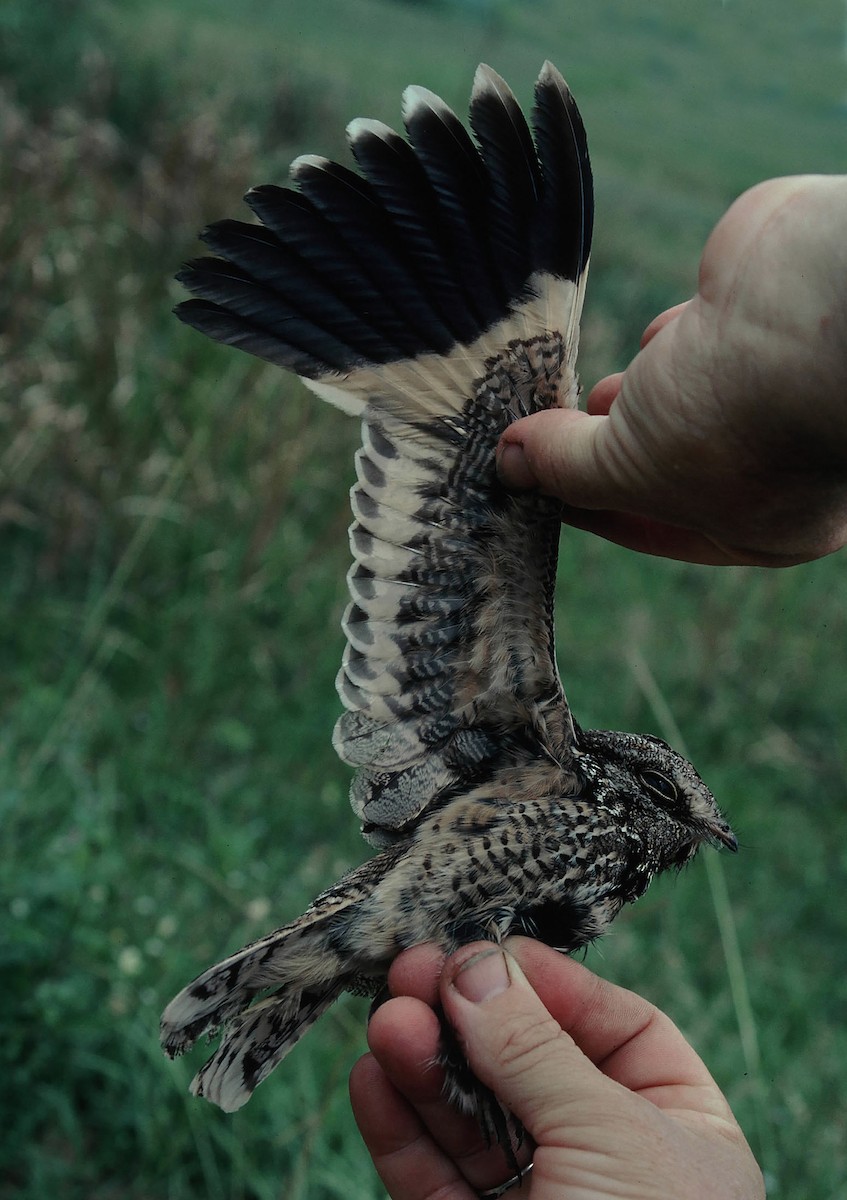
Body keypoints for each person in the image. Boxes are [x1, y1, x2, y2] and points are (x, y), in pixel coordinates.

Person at [348, 174, 847, 1198]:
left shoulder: (610, 878)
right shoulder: (529, 744)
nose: (694, 830)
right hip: (409, 908)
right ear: (630, 789)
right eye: (675, 806)